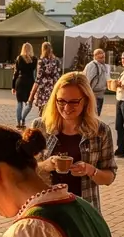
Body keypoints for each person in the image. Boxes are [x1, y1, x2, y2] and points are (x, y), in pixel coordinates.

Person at [34, 72, 117, 213]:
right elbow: (25, 170)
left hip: (84, 211)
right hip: (46, 209)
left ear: (85, 101)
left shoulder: (100, 131)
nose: (66, 108)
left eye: (73, 102)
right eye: (61, 101)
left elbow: (109, 177)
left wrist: (90, 170)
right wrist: (46, 165)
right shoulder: (40, 127)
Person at [29, 41, 61, 117]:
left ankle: (41, 126)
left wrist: (32, 94)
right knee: (51, 111)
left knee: (42, 112)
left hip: (43, 90)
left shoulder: (41, 61)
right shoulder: (56, 61)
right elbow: (57, 76)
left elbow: (38, 78)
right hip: (53, 88)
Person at [11, 43, 37, 128]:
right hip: (30, 82)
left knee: (19, 103)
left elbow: (16, 72)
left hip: (20, 81)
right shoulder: (34, 59)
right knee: (29, 104)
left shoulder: (19, 58)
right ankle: (23, 118)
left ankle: (19, 122)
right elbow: (34, 73)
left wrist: (13, 86)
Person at [84, 48, 111, 117]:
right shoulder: (92, 65)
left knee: (96, 116)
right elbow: (87, 80)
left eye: (103, 57)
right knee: (93, 117)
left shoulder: (103, 65)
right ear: (95, 56)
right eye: (100, 57)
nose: (103, 59)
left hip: (100, 94)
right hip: (93, 95)